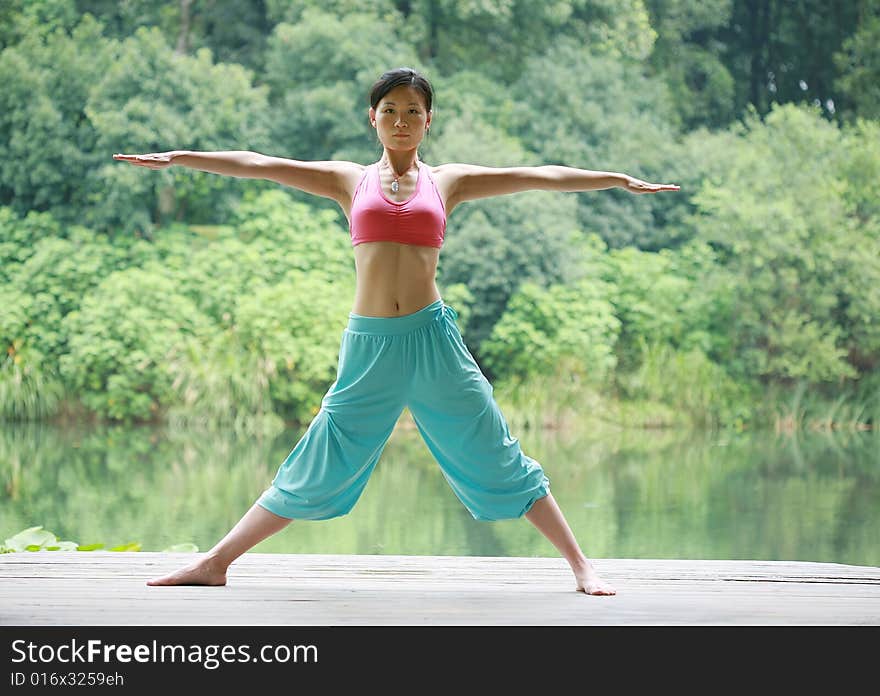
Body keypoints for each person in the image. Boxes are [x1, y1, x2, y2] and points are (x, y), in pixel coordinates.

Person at [114, 67, 679, 597]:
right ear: (373, 118)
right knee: (323, 452)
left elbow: (540, 177)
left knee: (494, 446)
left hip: (433, 339)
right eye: (391, 110)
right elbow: (259, 163)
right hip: (371, 344)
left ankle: (581, 564)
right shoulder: (348, 180)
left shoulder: (448, 182)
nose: (402, 120)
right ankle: (215, 563)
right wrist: (180, 158)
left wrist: (618, 180)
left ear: (428, 120)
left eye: (413, 111)